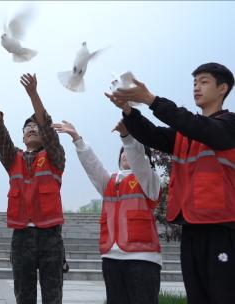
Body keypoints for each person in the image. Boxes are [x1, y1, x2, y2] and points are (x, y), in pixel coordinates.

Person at [106, 62, 235, 304]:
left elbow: (198, 126)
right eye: (194, 82)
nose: (197, 87)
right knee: (197, 297)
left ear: (223, 89)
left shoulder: (229, 125)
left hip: (221, 228)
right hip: (191, 227)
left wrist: (151, 100)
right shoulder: (185, 134)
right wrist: (128, 110)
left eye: (204, 81)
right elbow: (152, 135)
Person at [54, 119, 162, 304]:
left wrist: (127, 139)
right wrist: (77, 139)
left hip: (142, 259)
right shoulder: (110, 181)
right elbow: (92, 166)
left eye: (128, 151)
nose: (125, 155)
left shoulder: (149, 180)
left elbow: (140, 162)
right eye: (122, 152)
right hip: (111, 257)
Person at [0, 73, 66, 304]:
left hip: (50, 236)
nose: (32, 129)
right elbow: (0, 136)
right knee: (24, 296)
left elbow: (48, 130)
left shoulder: (54, 157)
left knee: (53, 297)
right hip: (21, 237)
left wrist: (33, 94)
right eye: (27, 127)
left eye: (35, 126)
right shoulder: (13, 159)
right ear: (22, 135)